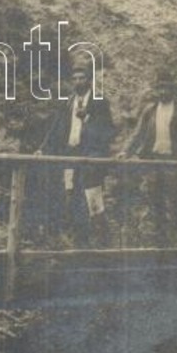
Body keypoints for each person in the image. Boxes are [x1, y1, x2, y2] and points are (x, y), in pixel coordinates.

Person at [119, 72, 177, 245]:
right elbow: (138, 133)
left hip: (175, 163)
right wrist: (125, 151)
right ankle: (161, 242)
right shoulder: (150, 110)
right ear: (156, 90)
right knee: (156, 202)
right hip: (154, 162)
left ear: (172, 90)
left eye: (166, 88)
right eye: (160, 88)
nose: (163, 92)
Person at [35, 59, 115, 247]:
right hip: (71, 155)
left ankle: (103, 242)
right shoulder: (69, 102)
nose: (78, 81)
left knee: (93, 199)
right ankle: (80, 241)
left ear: (89, 80)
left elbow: (108, 131)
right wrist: (43, 148)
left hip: (91, 158)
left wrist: (87, 118)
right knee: (72, 197)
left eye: (82, 78)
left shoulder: (99, 102)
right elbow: (56, 128)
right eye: (75, 78)